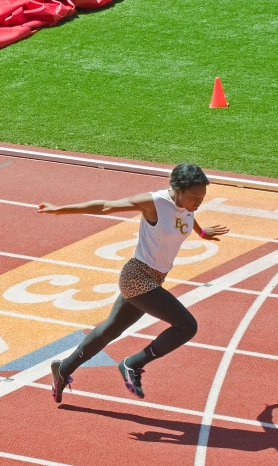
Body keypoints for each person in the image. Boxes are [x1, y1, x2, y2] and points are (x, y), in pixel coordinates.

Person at [38, 163, 229, 402]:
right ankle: (132, 364)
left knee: (109, 330)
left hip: (154, 278)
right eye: (194, 197)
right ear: (177, 189)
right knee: (187, 326)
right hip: (137, 277)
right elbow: (106, 206)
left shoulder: (186, 205)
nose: (198, 202)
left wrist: (201, 232)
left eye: (202, 197)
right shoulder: (153, 203)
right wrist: (60, 210)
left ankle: (63, 369)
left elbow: (187, 217)